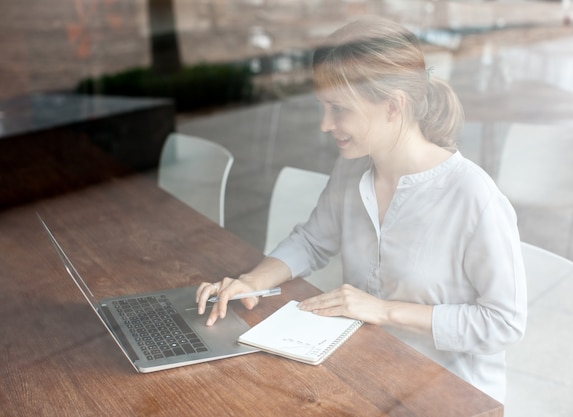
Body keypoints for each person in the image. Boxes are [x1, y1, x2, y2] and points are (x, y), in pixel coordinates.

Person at [196, 16, 526, 403]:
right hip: (363, 368)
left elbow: (504, 323)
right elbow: (311, 240)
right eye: (322, 107)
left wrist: (384, 311)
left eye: (338, 109)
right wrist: (252, 281)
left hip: (448, 396)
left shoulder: (472, 197)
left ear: (393, 106)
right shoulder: (352, 167)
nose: (324, 124)